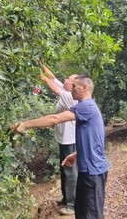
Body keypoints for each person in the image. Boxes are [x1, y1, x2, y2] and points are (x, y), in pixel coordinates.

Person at [12, 75, 109, 219]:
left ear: (85, 88)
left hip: (93, 172)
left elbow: (54, 119)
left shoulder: (86, 106)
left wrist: (25, 124)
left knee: (92, 215)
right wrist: (76, 154)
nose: (72, 90)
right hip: (86, 171)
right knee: (81, 213)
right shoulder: (87, 107)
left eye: (75, 86)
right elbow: (94, 139)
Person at [40, 64, 78, 216]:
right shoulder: (66, 89)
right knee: (64, 170)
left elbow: (54, 88)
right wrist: (42, 66)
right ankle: (65, 198)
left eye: (68, 79)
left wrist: (42, 79)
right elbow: (53, 78)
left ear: (74, 86)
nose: (65, 80)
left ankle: (71, 205)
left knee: (70, 172)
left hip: (70, 140)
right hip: (63, 139)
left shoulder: (70, 97)